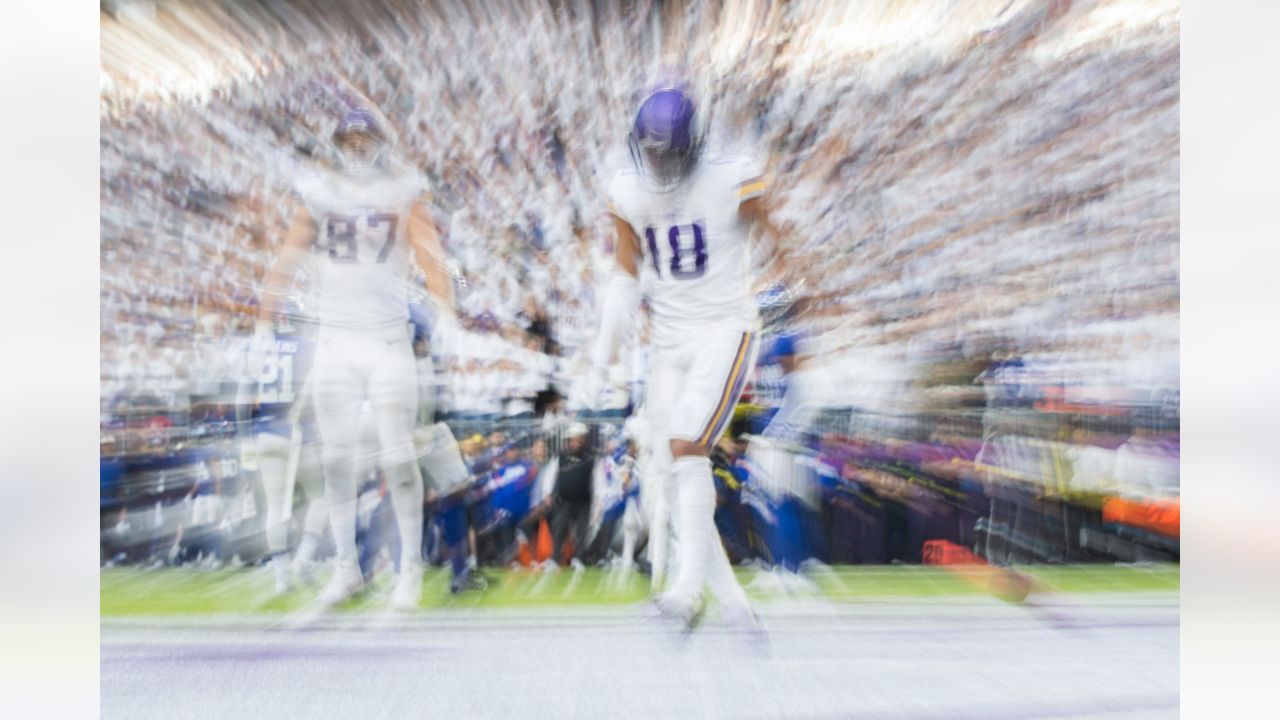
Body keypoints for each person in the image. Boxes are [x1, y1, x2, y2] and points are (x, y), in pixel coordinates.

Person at [577, 86, 789, 633]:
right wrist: (601, 359)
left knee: (686, 441)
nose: (659, 163)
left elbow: (779, 249)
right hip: (669, 341)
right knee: (670, 469)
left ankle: (688, 588)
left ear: (692, 146)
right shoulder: (628, 188)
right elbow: (625, 276)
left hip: (724, 328)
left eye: (668, 152)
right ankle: (731, 600)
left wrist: (781, 290)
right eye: (652, 152)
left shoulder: (730, 176)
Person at [256, 108, 468, 610]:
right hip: (334, 340)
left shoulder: (401, 190)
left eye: (362, 139)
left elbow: (428, 250)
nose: (355, 148)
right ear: (338, 144)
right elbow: (287, 256)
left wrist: (446, 310)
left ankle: (410, 571)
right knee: (335, 461)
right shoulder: (319, 193)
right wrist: (263, 319)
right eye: (347, 140)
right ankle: (347, 570)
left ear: (377, 143)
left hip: (386, 339)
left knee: (399, 456)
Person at [239, 304, 327, 595]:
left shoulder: (258, 349)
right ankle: (304, 557)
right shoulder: (310, 347)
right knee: (320, 498)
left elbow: (242, 400)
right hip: (300, 432)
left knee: (275, 506)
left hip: (266, 433)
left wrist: (245, 439)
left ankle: (281, 577)